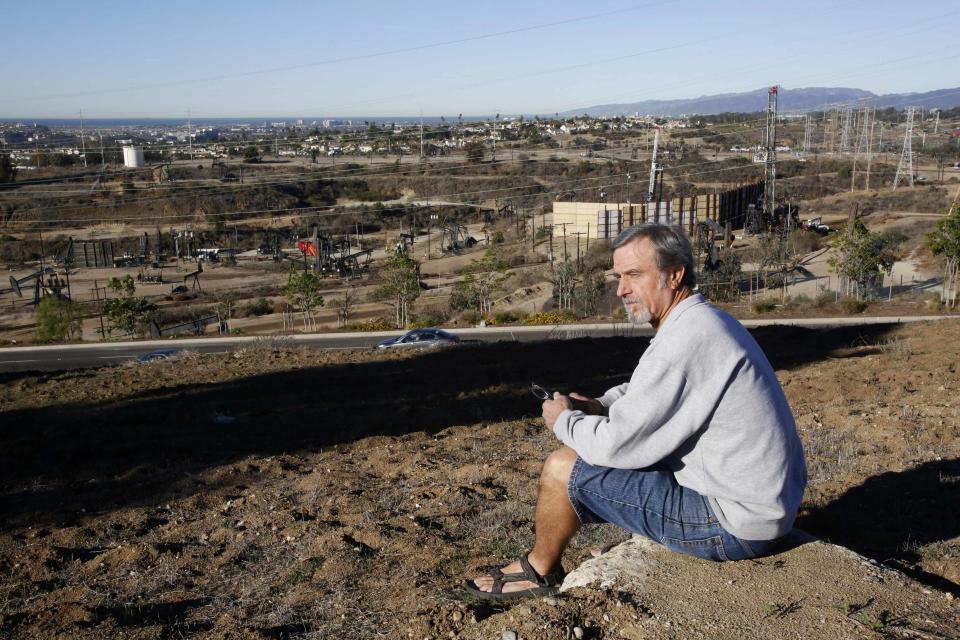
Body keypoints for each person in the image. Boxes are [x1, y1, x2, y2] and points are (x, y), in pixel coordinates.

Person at [465, 223, 807, 601]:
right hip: (757, 509)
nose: (621, 289)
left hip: (732, 525)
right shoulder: (702, 321)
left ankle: (539, 570)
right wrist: (601, 406)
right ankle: (655, 539)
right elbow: (652, 395)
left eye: (633, 275)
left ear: (675, 275)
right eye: (618, 276)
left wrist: (564, 420)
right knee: (623, 458)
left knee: (564, 467)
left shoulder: (688, 337)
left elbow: (616, 447)